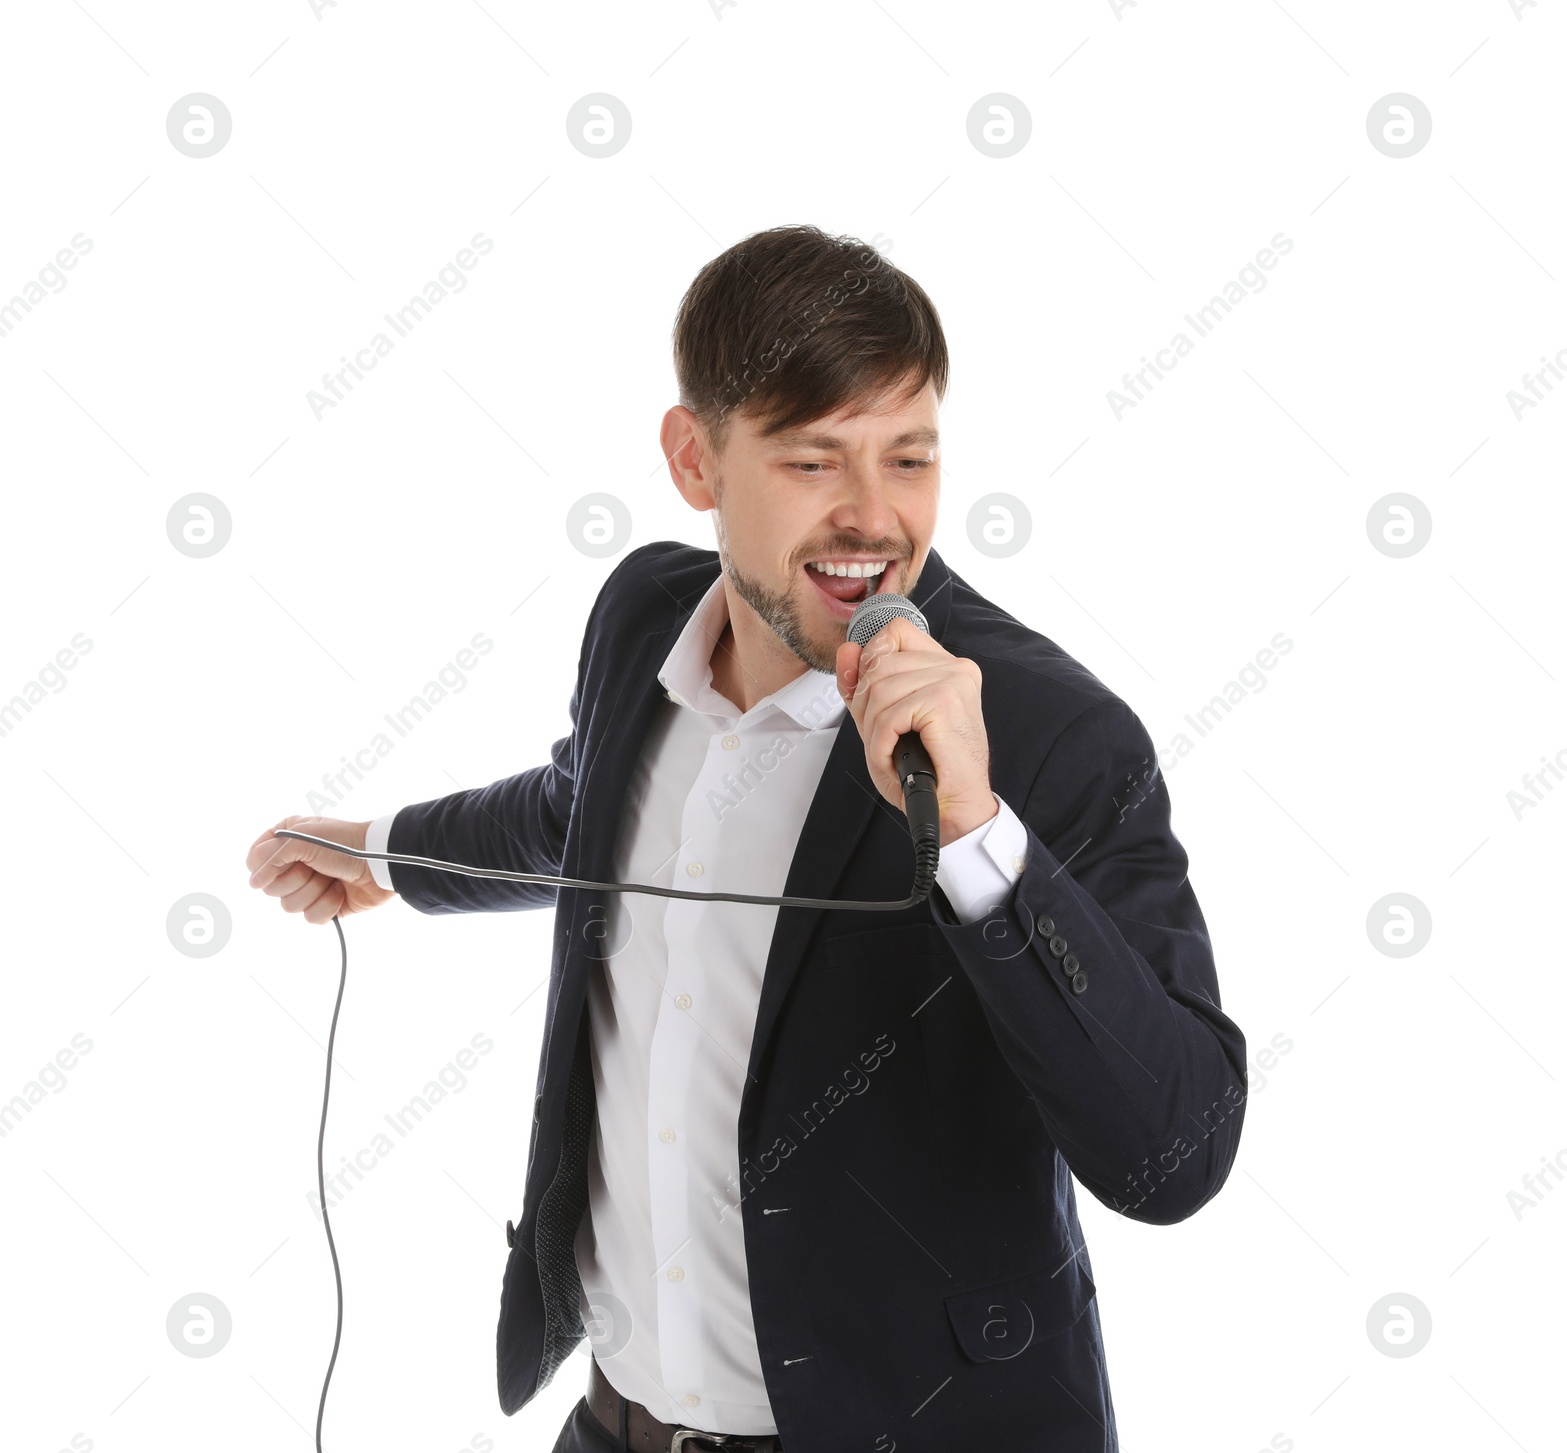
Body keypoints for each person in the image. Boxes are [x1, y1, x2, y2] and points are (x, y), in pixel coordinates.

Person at [245, 224, 1247, 1453]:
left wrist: (979, 835)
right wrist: (387, 854)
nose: (873, 518)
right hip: (623, 1428)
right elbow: (584, 809)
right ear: (694, 458)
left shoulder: (1049, 734)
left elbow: (1176, 1155)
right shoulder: (642, 618)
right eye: (814, 461)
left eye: (909, 457)